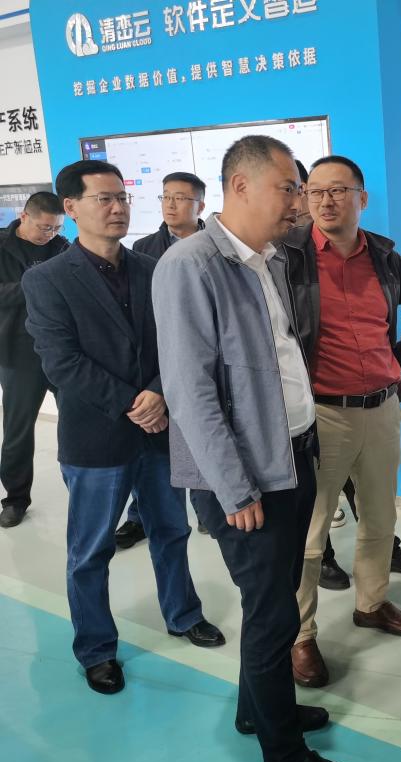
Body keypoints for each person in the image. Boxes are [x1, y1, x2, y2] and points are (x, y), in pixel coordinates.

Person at [153, 136, 343, 762]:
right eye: (288, 188)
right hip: (245, 480)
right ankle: (283, 752)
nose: (298, 203)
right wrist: (235, 489)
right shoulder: (190, 265)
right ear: (240, 186)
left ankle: (258, 709)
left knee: (278, 598)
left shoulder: (267, 258)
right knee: (272, 615)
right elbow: (190, 393)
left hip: (292, 457)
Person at [22, 160, 223, 696]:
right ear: (71, 207)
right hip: (97, 438)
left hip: (158, 432)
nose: (118, 208)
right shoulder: (46, 280)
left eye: (123, 197)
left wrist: (159, 391)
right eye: (104, 199)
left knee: (171, 531)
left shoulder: (152, 268)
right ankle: (96, 649)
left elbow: (178, 342)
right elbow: (61, 362)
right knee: (91, 551)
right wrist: (135, 402)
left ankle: (183, 614)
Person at [280, 154, 401, 688]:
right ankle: (301, 635)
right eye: (316, 191)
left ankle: (371, 604)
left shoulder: (384, 258)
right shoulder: (288, 258)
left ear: (361, 198)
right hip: (321, 415)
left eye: (339, 190)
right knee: (310, 532)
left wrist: (399, 359)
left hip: (382, 407)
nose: (326, 201)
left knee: (379, 518)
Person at [115, 170, 208, 549]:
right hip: (159, 361)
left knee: (203, 439)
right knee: (153, 446)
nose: (171, 205)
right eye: (166, 197)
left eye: (181, 198)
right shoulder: (143, 249)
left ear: (200, 204)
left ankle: (209, 510)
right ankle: (140, 516)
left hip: (204, 358)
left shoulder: (217, 246)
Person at [0, 192, 68, 527]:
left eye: (56, 228)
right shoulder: (3, 247)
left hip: (61, 350)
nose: (50, 234)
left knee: (77, 420)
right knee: (18, 430)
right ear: (24, 217)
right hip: (17, 351)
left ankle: (82, 486)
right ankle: (15, 498)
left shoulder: (62, 247)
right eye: (44, 227)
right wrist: (35, 284)